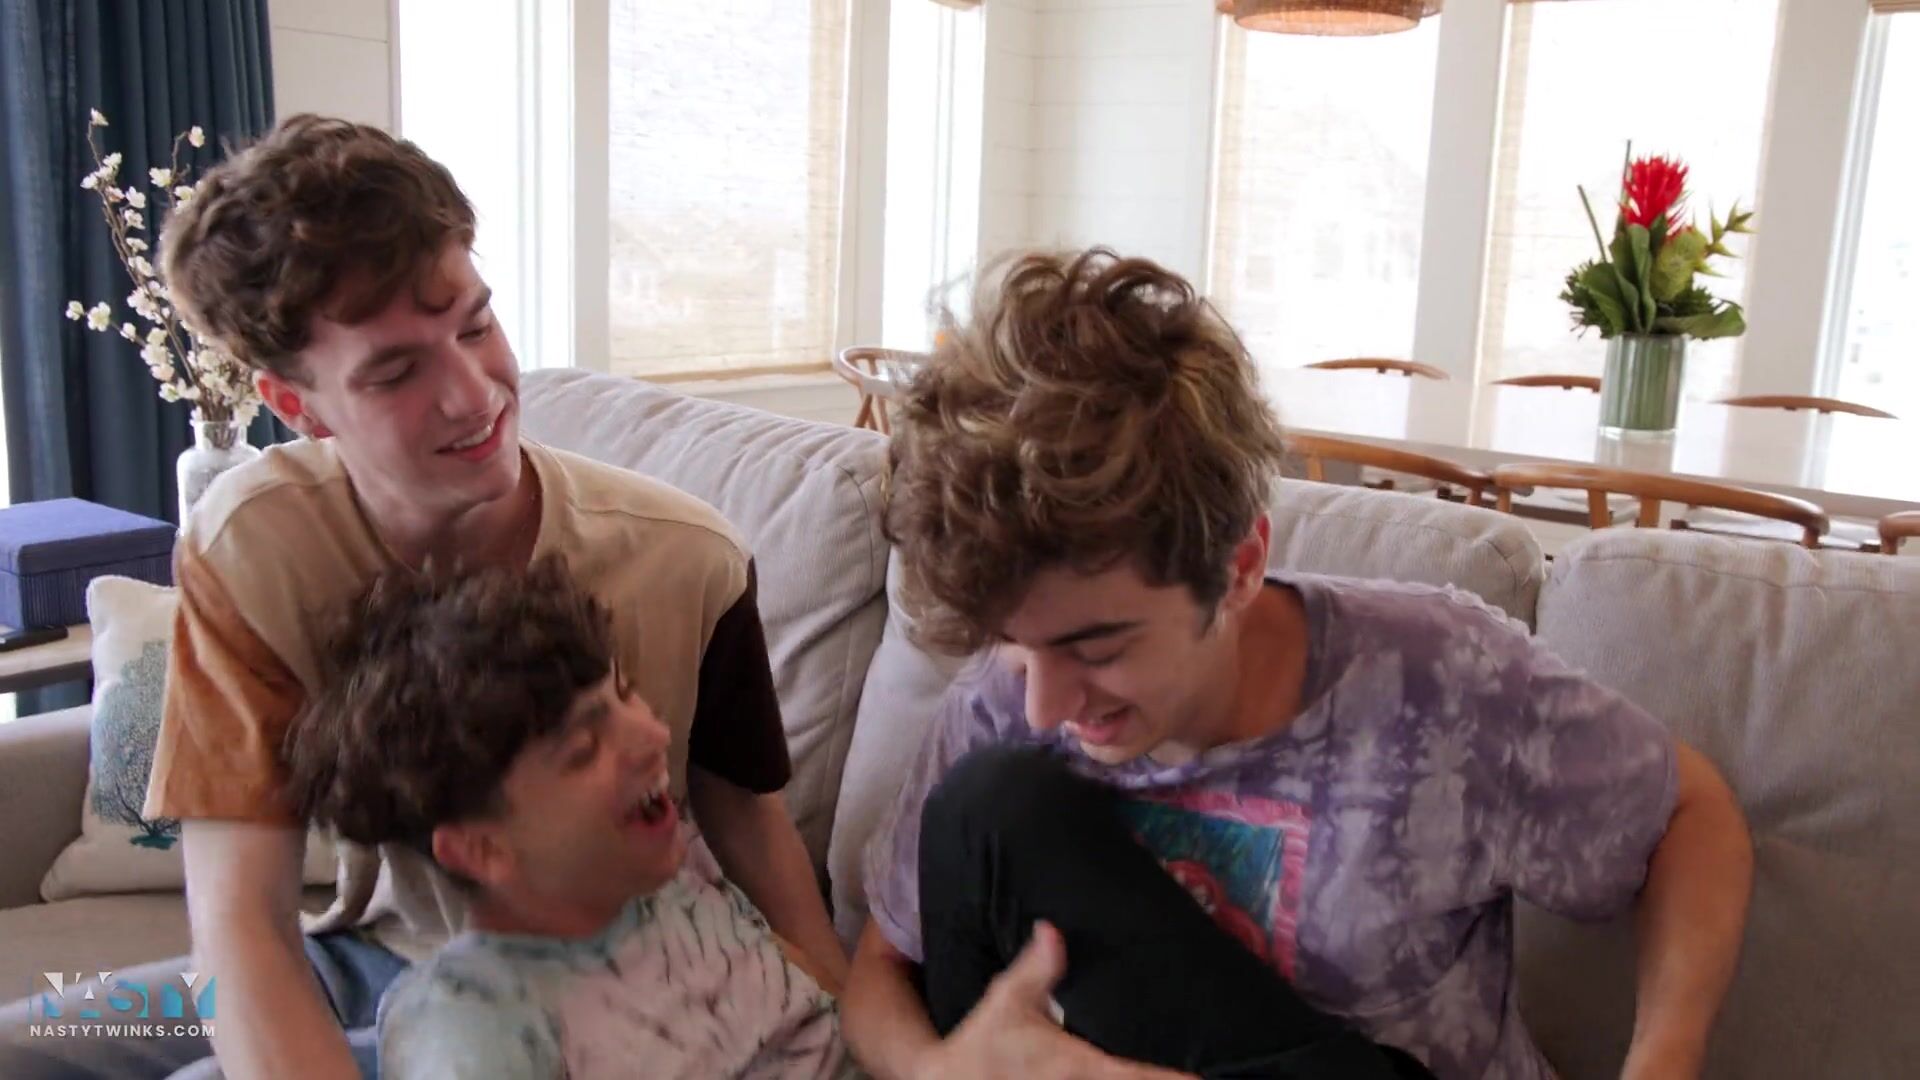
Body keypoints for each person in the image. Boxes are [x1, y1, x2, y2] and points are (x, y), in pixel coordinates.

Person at [0, 114, 842, 1079]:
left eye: (476, 325)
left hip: (580, 988)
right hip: (358, 949)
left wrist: (842, 1017)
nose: (474, 394)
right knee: (27, 1045)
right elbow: (243, 923)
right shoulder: (256, 545)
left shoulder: (686, 560)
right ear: (296, 405)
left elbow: (756, 834)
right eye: (397, 371)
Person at [841, 249, 1755, 1080]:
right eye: (1015, 645)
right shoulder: (1003, 708)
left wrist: (1663, 1059)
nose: (1043, 706)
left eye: (1100, 648)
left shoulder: (1441, 683)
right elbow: (881, 970)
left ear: (1238, 567)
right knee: (993, 800)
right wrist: (934, 1071)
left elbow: (1689, 814)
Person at [283, 557, 853, 1079]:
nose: (655, 735)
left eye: (626, 695)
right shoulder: (472, 1034)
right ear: (483, 849)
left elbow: (825, 1001)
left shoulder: (675, 878)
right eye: (584, 749)